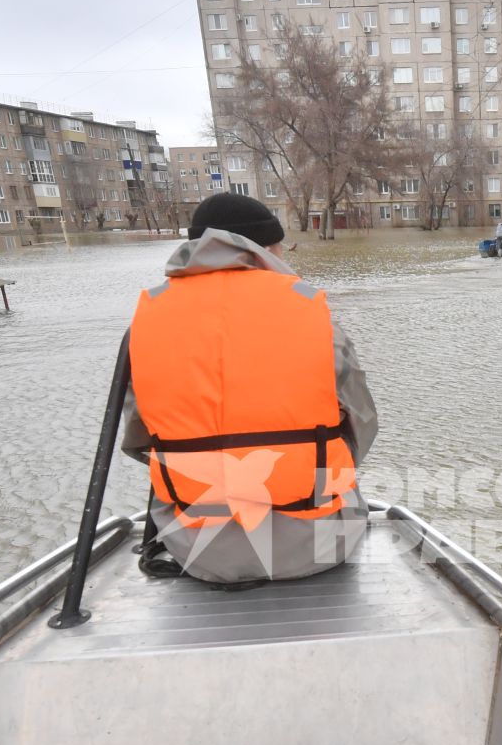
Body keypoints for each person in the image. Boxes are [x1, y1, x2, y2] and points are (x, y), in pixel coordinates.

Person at [121, 193, 378, 584]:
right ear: (265, 248)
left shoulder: (147, 321)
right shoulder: (311, 313)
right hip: (322, 545)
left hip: (197, 552)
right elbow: (362, 423)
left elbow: (137, 437)